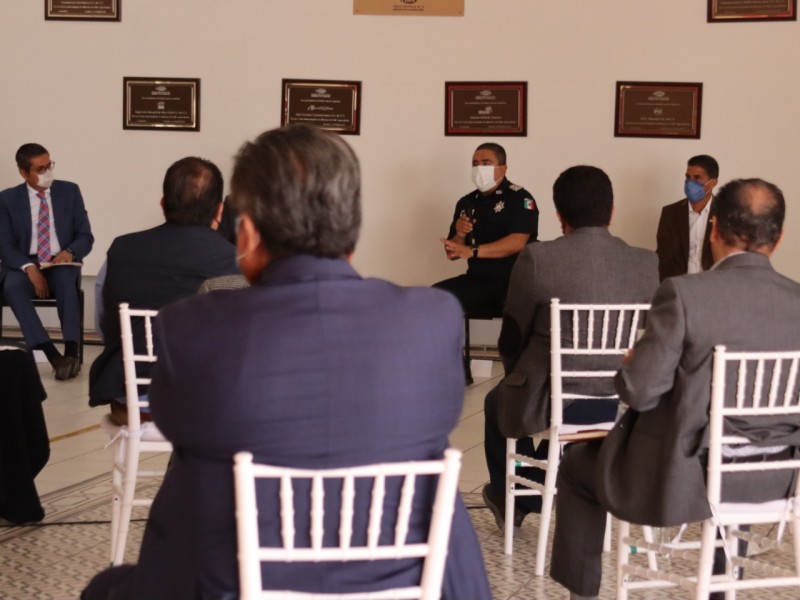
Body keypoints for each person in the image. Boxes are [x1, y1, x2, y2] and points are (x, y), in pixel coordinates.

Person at [81, 124, 491, 600]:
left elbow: (177, 428)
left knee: (104, 588)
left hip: (230, 583)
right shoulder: (432, 319)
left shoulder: (192, 327)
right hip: (405, 583)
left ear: (248, 232)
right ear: (351, 230)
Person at [550, 178, 800, 600]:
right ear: (779, 238)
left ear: (714, 229)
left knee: (576, 465)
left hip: (683, 480)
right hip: (774, 479)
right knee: (734, 449)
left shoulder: (685, 294)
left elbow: (639, 393)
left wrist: (632, 364)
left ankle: (583, 595)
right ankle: (721, 588)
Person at [482, 165, 658, 532]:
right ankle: (551, 481)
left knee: (497, 401)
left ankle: (519, 493)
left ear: (560, 215)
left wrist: (515, 373)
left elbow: (512, 334)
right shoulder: (645, 263)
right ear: (611, 212)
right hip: (616, 397)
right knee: (560, 421)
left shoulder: (538, 258)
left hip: (552, 395)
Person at [88, 156, 238, 423]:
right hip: (209, 405)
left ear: (163, 204)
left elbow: (105, 325)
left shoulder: (121, 250)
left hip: (132, 401)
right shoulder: (236, 262)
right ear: (219, 211)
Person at [0, 143, 93, 380]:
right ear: (23, 173)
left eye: (49, 165)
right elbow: (5, 245)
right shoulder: (7, 199)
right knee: (12, 286)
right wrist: (29, 267)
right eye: (40, 169)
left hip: (60, 260)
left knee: (65, 280)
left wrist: (70, 251)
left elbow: (85, 236)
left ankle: (71, 352)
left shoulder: (70, 191)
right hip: (24, 262)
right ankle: (52, 355)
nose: (48, 173)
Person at [434, 142, 538, 314]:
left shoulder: (520, 198)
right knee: (432, 298)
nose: (479, 169)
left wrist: (473, 251)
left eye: (486, 164)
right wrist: (460, 234)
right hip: (478, 281)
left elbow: (517, 243)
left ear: (503, 168)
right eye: (475, 164)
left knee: (519, 311)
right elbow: (453, 254)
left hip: (514, 283)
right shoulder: (466, 202)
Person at [656, 154, 719, 281]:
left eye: (697, 178)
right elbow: (663, 258)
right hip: (680, 286)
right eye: (688, 177)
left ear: (713, 182)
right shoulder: (670, 213)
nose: (690, 183)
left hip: (714, 285)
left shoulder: (725, 213)